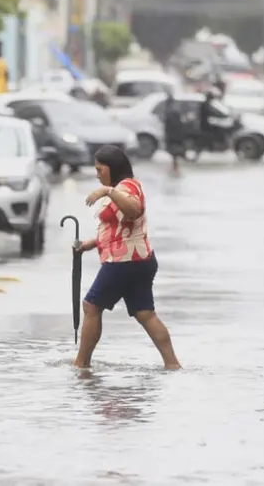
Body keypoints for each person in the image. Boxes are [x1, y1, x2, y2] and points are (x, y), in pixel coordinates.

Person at [74, 145, 181, 370]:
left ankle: (81, 365)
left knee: (91, 307)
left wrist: (107, 192)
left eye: (100, 169)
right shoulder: (123, 187)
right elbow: (119, 228)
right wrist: (90, 244)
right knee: (145, 314)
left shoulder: (127, 187)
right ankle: (172, 365)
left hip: (123, 262)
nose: (97, 174)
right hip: (139, 260)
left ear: (113, 168)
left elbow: (134, 210)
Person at [161, 96, 187, 174]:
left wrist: (166, 135)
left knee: (174, 153)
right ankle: (175, 167)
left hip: (172, 135)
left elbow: (167, 126)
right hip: (176, 135)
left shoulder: (168, 112)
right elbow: (180, 124)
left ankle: (175, 167)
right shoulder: (175, 111)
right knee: (175, 153)